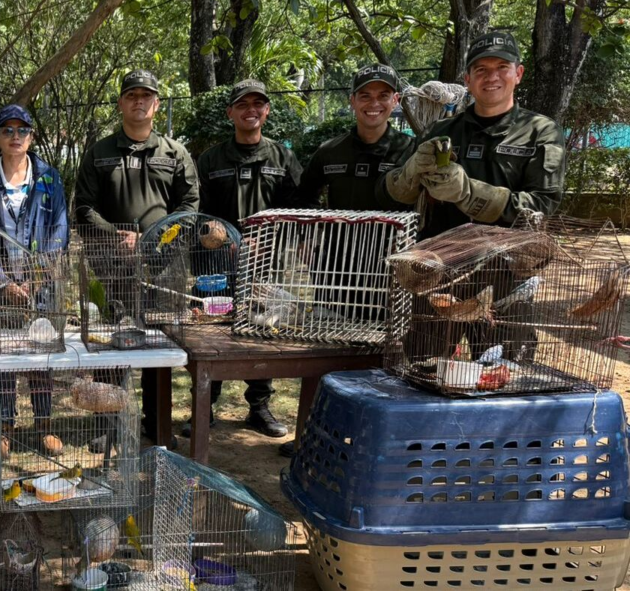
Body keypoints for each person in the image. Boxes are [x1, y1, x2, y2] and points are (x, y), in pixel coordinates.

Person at [73, 69, 200, 448]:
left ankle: (157, 425)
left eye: (146, 96)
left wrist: (150, 239)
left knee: (160, 347)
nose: (139, 101)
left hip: (163, 269)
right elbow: (84, 207)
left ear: (156, 105)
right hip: (111, 268)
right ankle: (108, 426)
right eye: (131, 95)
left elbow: (189, 207)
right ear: (121, 104)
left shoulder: (175, 154)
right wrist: (116, 236)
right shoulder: (99, 153)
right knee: (110, 346)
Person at [190, 79, 302, 454]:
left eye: (258, 104)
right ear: (230, 113)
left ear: (266, 111)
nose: (250, 110)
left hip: (268, 263)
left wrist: (269, 238)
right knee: (212, 331)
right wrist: (221, 237)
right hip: (217, 265)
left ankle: (259, 407)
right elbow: (199, 212)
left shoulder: (283, 158)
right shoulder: (211, 160)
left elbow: (298, 210)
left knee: (263, 331)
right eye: (242, 104)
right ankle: (205, 406)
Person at [380, 32, 566, 238]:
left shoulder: (540, 131)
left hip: (507, 255)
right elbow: (388, 194)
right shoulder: (439, 132)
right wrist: (411, 171)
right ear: (468, 79)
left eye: (502, 67)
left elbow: (543, 205)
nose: (492, 77)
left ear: (518, 74)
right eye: (481, 69)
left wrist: (469, 193)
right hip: (439, 253)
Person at [0, 104, 69, 461]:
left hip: (41, 283)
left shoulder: (49, 178)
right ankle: (5, 429)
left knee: (42, 354)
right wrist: (2, 280)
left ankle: (45, 425)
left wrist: (39, 275)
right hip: (1, 286)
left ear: (31, 137)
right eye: (7, 130)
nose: (15, 136)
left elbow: (59, 228)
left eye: (22, 130)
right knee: (4, 358)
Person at [295, 64, 413, 209]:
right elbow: (303, 198)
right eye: (365, 96)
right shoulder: (330, 151)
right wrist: (321, 221)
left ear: (395, 100)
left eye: (383, 96)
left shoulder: (410, 150)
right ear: (352, 100)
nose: (374, 103)